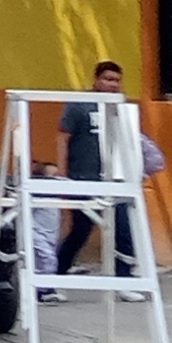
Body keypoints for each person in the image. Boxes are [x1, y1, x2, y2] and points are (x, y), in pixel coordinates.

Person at [55, 61, 125, 272]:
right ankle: (58, 269)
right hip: (83, 177)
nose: (113, 85)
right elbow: (63, 136)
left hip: (114, 179)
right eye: (108, 79)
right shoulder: (80, 104)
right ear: (96, 80)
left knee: (124, 229)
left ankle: (125, 277)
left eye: (117, 81)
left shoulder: (120, 107)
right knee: (81, 231)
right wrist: (61, 173)